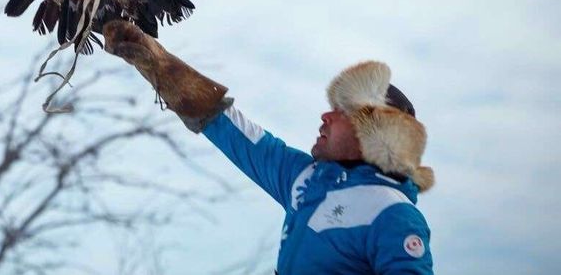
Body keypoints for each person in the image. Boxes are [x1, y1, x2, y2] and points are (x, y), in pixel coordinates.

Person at [103, 21, 434, 274]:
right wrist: (157, 64)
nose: (325, 116)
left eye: (342, 112)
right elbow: (230, 129)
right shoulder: (306, 179)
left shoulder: (394, 214)